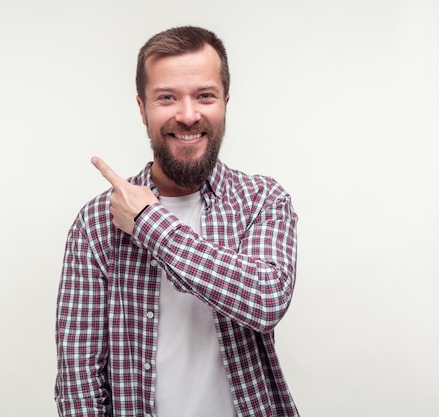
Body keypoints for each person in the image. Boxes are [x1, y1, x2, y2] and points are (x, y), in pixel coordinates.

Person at [55, 26, 299, 417]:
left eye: (204, 96)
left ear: (225, 102)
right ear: (142, 108)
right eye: (167, 98)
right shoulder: (96, 222)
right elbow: (79, 379)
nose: (188, 115)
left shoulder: (262, 200)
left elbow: (265, 300)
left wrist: (149, 222)